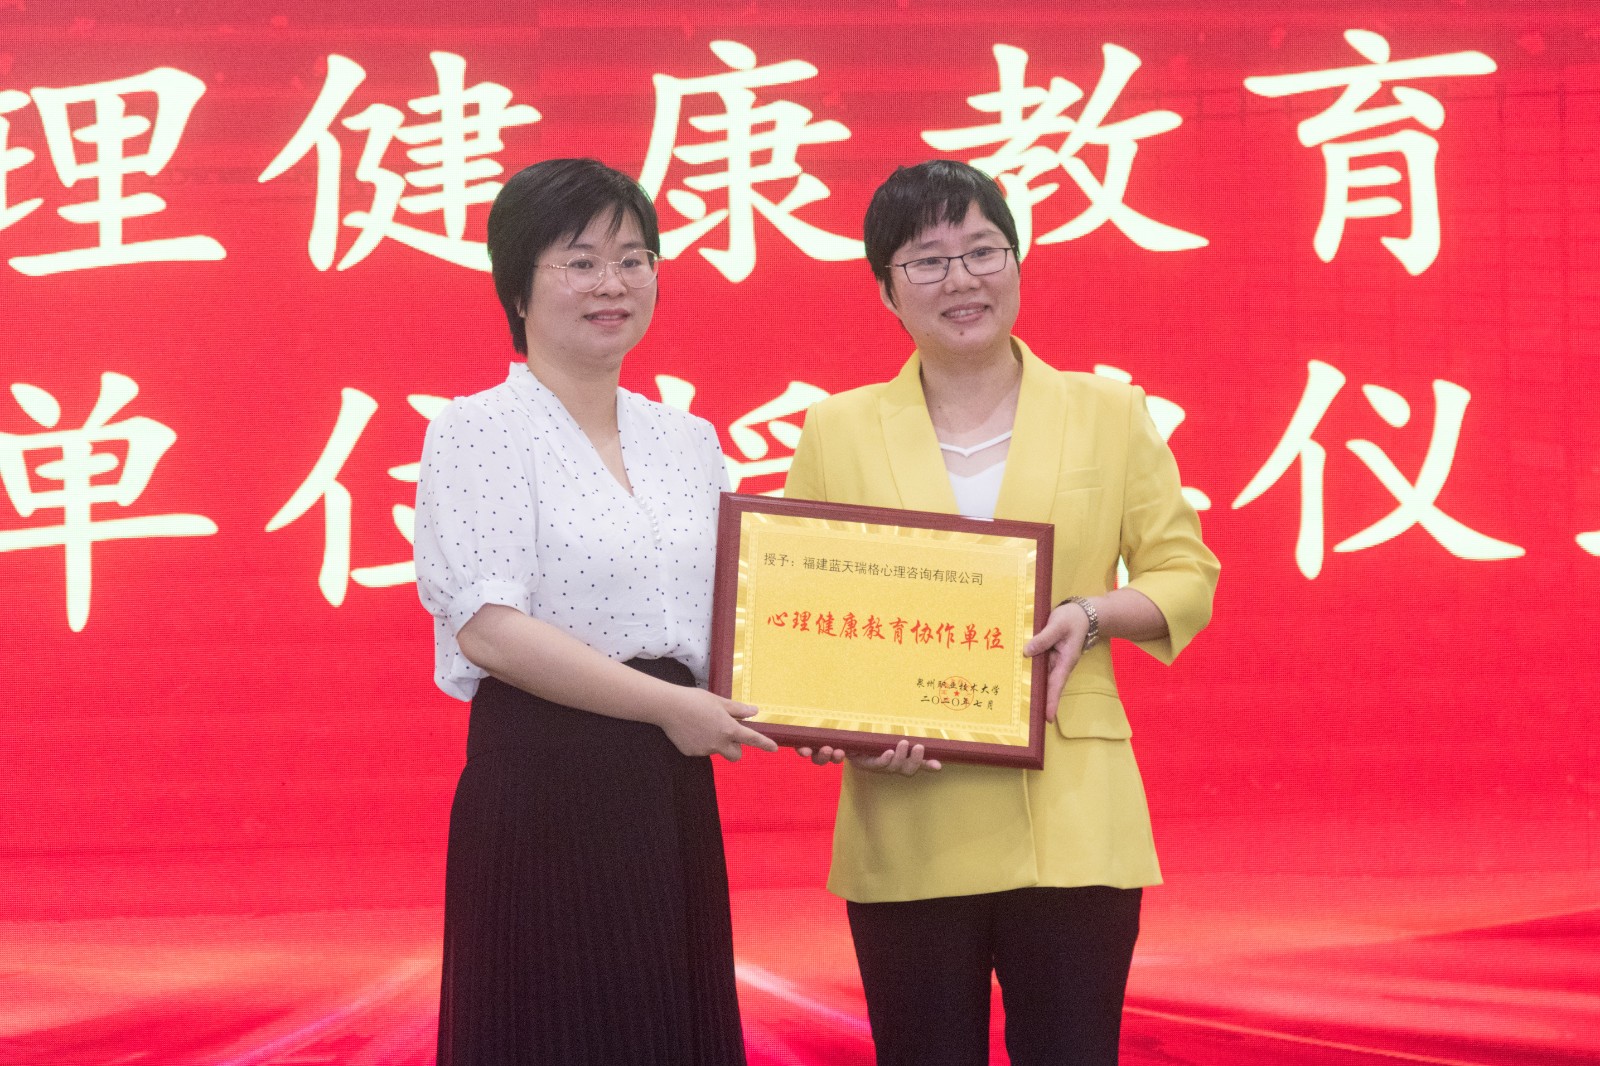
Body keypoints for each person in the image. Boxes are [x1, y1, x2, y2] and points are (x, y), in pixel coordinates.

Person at [785, 160, 1219, 1066]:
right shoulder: (838, 430)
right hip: (908, 810)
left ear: (1017, 262)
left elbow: (1186, 574)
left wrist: (1091, 614)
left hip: (1073, 811)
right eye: (928, 261)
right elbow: (804, 617)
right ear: (886, 290)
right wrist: (830, 726)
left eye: (984, 251)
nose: (963, 279)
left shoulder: (1108, 411)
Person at [413, 157, 777, 1066]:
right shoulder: (477, 429)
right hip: (546, 777)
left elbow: (737, 622)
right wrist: (670, 707)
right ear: (518, 288)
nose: (613, 283)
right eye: (580, 261)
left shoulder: (688, 440)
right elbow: (490, 629)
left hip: (669, 779)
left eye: (634, 258)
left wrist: (846, 714)